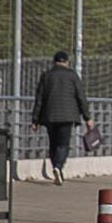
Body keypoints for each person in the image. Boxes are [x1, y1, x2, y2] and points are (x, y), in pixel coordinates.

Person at [30, 51, 90, 185]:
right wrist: (87, 117)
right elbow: (81, 97)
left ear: (54, 62)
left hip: (49, 116)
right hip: (67, 116)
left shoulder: (46, 76)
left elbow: (39, 99)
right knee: (63, 144)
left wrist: (35, 120)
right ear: (67, 62)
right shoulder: (72, 76)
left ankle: (56, 168)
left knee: (53, 144)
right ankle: (58, 166)